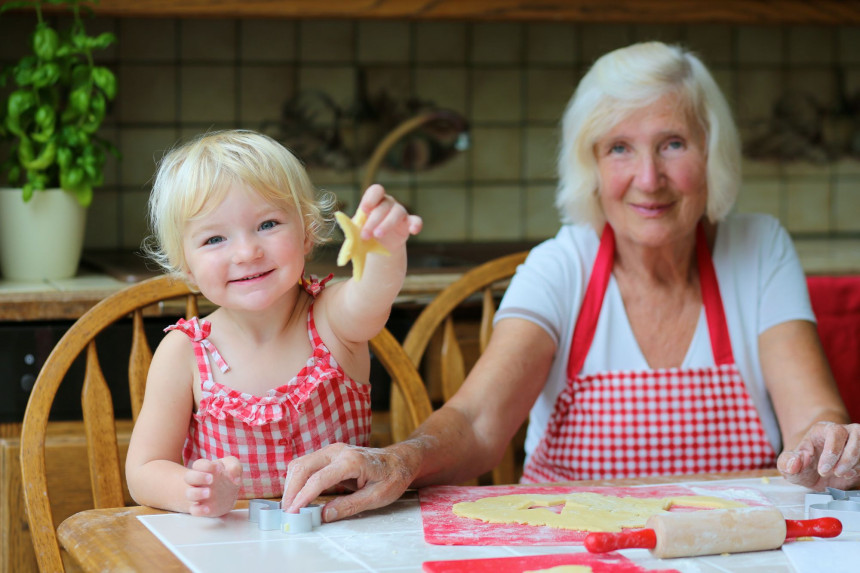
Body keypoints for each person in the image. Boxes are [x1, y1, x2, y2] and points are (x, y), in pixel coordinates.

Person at [281, 41, 860, 524]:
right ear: (591, 166)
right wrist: (401, 459)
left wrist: (826, 447)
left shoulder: (759, 250)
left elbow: (813, 413)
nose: (648, 178)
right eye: (619, 149)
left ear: (714, 156)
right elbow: (479, 423)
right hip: (573, 548)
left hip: (731, 548)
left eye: (673, 144)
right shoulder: (561, 267)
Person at [125, 129, 422, 517]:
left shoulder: (333, 319)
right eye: (214, 239)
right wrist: (196, 492)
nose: (247, 252)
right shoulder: (184, 353)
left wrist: (386, 245)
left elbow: (374, 292)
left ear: (307, 233)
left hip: (342, 542)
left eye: (267, 224)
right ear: (187, 268)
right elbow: (143, 470)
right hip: (231, 551)